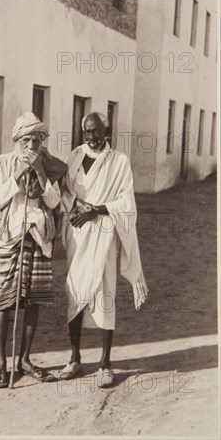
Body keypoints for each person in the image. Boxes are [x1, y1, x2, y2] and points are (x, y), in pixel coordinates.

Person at [59, 112, 148, 387]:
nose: (91, 137)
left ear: (106, 130)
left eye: (96, 132)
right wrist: (77, 208)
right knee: (75, 293)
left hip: (104, 233)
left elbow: (126, 203)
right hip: (78, 234)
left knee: (104, 294)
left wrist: (95, 210)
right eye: (86, 132)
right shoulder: (75, 155)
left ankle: (105, 364)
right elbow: (64, 189)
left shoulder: (119, 161)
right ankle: (74, 358)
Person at [0, 112, 67, 388]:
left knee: (34, 299)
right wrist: (21, 172)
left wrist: (38, 171)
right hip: (10, 236)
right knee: (5, 299)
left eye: (37, 139)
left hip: (39, 236)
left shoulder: (49, 164)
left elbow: (54, 202)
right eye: (26, 139)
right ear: (17, 140)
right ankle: (1, 362)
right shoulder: (3, 163)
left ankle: (24, 359)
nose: (31, 145)